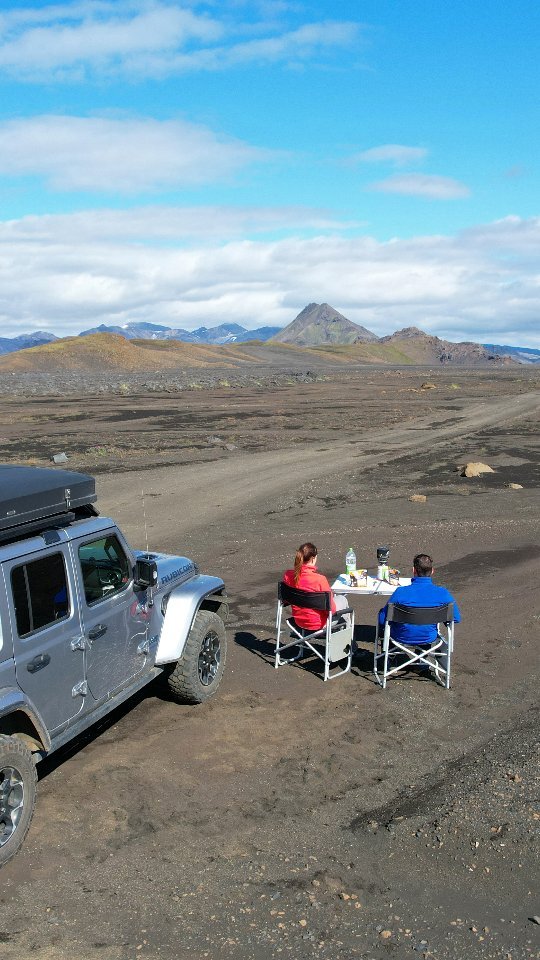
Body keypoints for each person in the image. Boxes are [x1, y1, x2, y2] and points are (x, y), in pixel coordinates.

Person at [378, 553, 461, 644]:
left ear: (414, 570)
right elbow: (456, 618)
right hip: (429, 637)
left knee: (384, 615)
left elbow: (383, 619)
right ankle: (423, 651)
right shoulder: (443, 593)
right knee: (426, 626)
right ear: (432, 571)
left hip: (401, 636)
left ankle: (389, 651)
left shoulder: (400, 592)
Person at [283, 542, 349, 631]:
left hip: (299, 621)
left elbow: (285, 600)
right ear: (313, 558)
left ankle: (340, 631)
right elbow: (331, 610)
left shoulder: (288, 575)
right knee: (342, 599)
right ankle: (347, 635)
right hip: (319, 623)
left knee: (329, 600)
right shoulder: (319, 579)